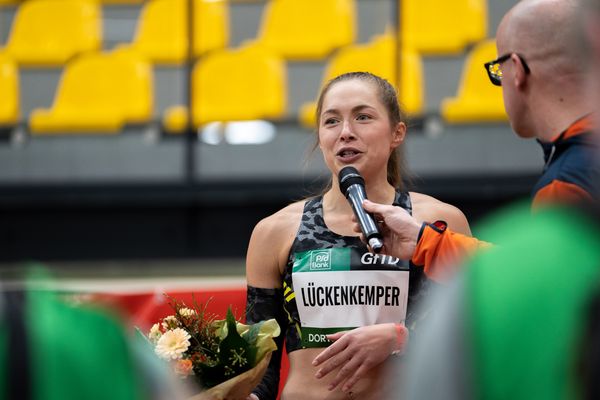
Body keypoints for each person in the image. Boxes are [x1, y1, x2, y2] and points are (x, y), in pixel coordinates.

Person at [245, 71, 472, 400]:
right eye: (331, 121)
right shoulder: (274, 232)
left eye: (363, 117)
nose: (346, 133)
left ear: (397, 134)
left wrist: (399, 338)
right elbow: (260, 367)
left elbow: (467, 339)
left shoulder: (438, 223)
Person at [352, 0, 600, 273]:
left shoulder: (570, 182)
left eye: (498, 71)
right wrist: (425, 241)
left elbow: (540, 286)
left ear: (516, 70)